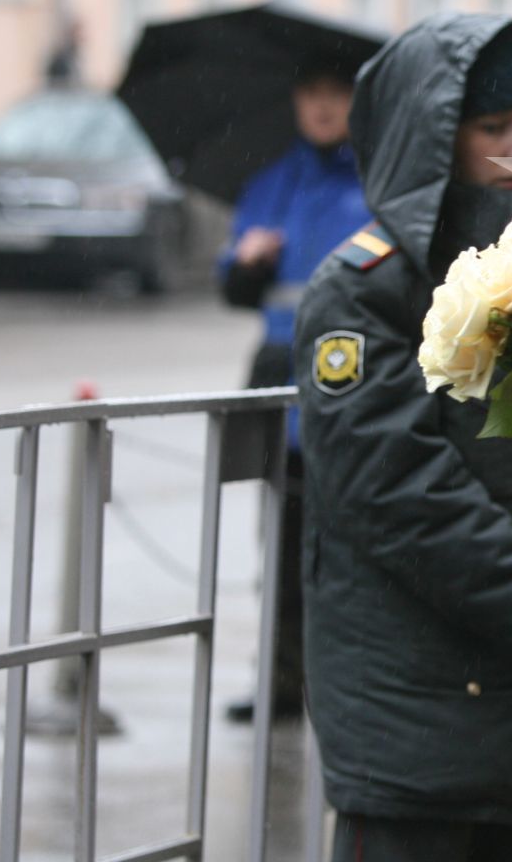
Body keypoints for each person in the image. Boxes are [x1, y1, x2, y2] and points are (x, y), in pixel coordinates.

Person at [294, 14, 512, 862]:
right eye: (493, 127)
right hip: (415, 713)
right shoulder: (363, 290)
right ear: (432, 139)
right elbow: (390, 485)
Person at [217, 56, 370, 722]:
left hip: (354, 381)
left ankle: (346, 685)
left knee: (352, 549)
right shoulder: (271, 182)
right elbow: (233, 289)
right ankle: (282, 681)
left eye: (337, 91)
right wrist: (247, 263)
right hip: (278, 382)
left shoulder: (378, 182)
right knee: (280, 542)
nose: (323, 104)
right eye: (311, 89)